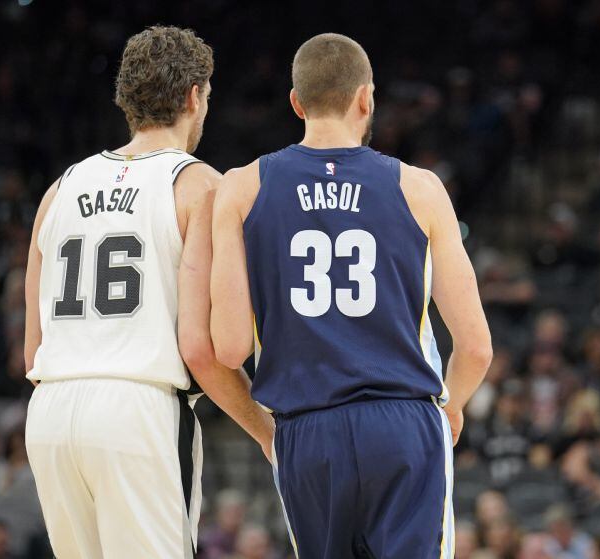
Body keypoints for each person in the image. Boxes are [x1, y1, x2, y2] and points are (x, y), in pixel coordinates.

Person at [210, 33, 492, 558]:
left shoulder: (241, 187)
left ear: (296, 103)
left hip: (305, 432)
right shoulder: (420, 188)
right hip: (403, 422)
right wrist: (452, 407)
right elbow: (475, 346)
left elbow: (227, 348)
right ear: (367, 98)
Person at [23, 26, 273, 558]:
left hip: (50, 409)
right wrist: (267, 430)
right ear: (193, 96)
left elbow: (30, 347)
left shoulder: (58, 190)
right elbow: (201, 351)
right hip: (137, 410)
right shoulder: (198, 185)